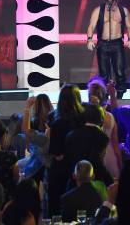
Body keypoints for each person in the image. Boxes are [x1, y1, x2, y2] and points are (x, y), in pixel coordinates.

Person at [86, 0, 130, 95]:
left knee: (119, 71)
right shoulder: (98, 10)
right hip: (102, 44)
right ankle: (105, 97)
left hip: (117, 43)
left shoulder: (123, 11)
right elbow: (91, 26)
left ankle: (120, 95)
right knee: (104, 73)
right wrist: (89, 39)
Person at [47, 84, 84, 215]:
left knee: (56, 211)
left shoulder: (57, 123)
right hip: (80, 170)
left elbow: (56, 153)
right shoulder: (83, 122)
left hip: (60, 172)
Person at [64, 103, 113, 187]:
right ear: (101, 119)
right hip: (92, 182)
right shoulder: (101, 136)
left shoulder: (71, 135)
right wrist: (109, 181)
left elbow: (67, 160)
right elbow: (96, 161)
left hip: (73, 180)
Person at [88, 79, 122, 178]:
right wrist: (120, 165)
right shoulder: (110, 116)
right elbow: (116, 144)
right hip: (110, 159)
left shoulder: (83, 116)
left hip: (91, 160)